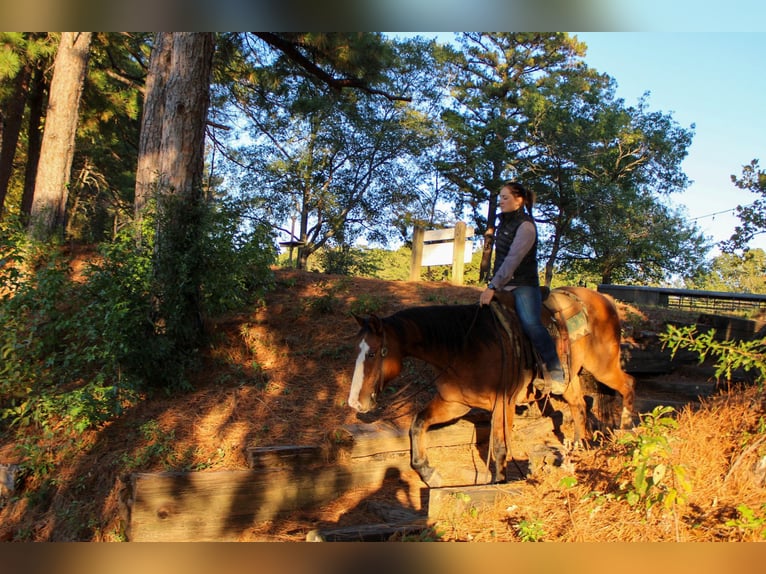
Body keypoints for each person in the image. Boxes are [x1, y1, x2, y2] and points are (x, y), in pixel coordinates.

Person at [478, 181, 567, 395]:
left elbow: (513, 259)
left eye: (505, 197)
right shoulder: (504, 223)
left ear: (519, 200)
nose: (501, 201)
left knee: (530, 323)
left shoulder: (526, 226)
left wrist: (492, 286)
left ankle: (556, 372)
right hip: (502, 284)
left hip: (522, 285)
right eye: (500, 197)